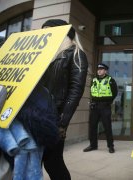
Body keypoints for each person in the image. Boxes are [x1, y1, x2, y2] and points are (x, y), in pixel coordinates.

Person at [40, 19, 88, 180]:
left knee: (52, 162)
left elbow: (76, 90)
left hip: (53, 116)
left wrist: (62, 123)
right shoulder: (43, 56)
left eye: (49, 31)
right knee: (35, 159)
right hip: (33, 113)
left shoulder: (76, 54)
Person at [83, 63, 118, 153]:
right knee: (92, 126)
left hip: (105, 106)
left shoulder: (110, 80)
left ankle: (111, 146)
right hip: (95, 106)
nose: (99, 70)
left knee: (107, 126)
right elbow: (92, 92)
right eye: (98, 69)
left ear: (105, 71)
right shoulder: (94, 80)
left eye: (101, 69)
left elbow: (115, 93)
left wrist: (108, 102)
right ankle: (93, 145)